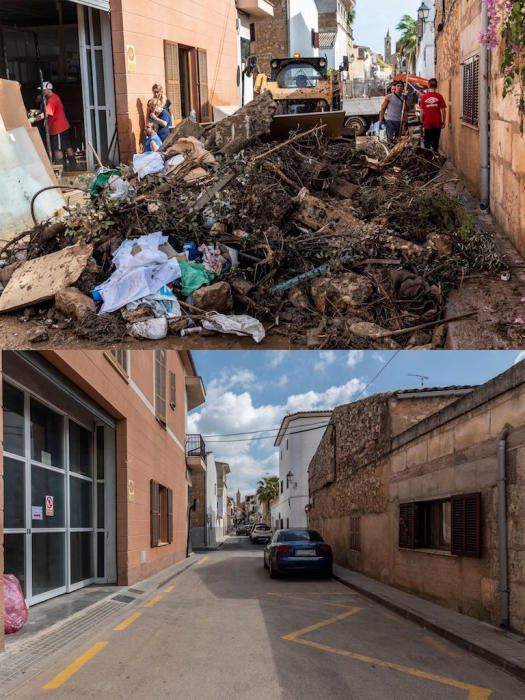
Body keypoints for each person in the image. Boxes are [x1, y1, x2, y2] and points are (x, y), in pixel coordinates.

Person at [35, 81, 77, 170]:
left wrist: (35, 119)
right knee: (67, 147)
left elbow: (46, 113)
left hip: (57, 127)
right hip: (63, 125)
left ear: (47, 90)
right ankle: (73, 167)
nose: (42, 92)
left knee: (57, 149)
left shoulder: (51, 99)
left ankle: (63, 169)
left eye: (43, 90)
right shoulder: (55, 97)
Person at [419, 78, 447, 153]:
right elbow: (443, 111)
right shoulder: (439, 96)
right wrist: (443, 121)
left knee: (427, 143)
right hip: (437, 123)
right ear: (436, 86)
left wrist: (422, 121)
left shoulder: (424, 97)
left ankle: (428, 160)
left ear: (428, 86)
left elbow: (421, 111)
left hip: (427, 123)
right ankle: (435, 157)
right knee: (435, 143)